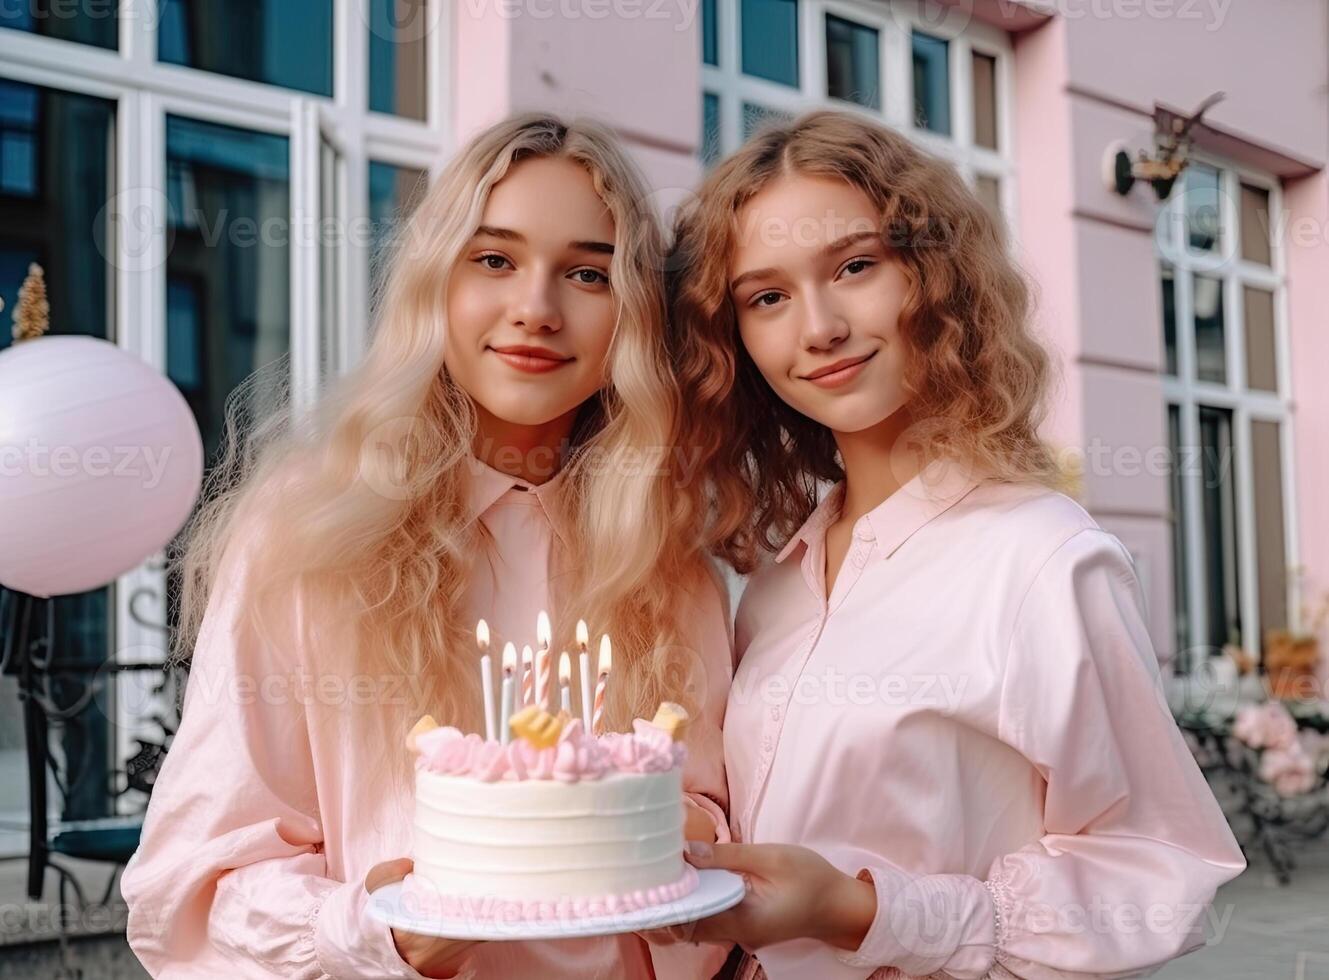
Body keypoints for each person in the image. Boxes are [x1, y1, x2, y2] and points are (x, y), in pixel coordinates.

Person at [121, 114, 733, 980]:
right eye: (494, 259)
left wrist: (681, 838)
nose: (535, 308)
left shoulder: (667, 561)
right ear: (434, 281)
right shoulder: (309, 537)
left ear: (631, 314)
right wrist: (381, 932)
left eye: (588, 273)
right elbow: (193, 882)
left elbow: (705, 815)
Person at [658, 109, 1246, 980]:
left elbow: (1155, 874)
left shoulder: (1042, 559)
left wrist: (862, 911)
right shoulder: (781, 578)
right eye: (767, 297)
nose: (816, 327)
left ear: (936, 280)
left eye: (854, 267)